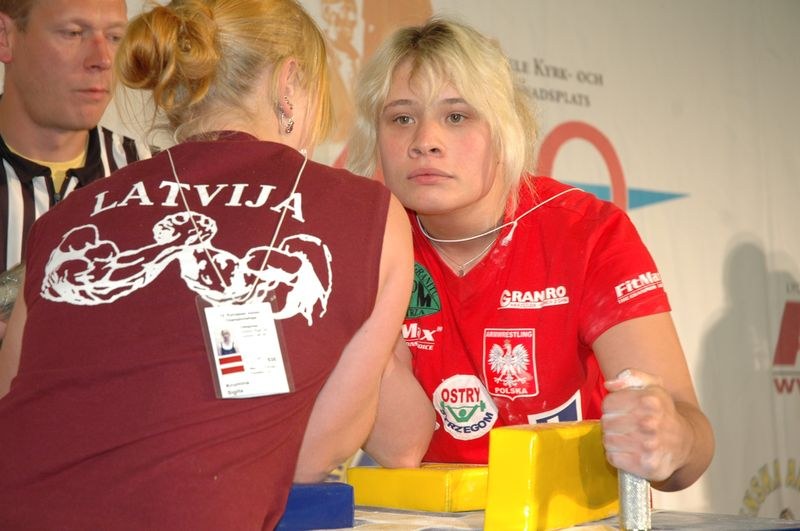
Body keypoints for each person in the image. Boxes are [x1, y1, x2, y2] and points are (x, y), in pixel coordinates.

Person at [0, 0, 433, 528]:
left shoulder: (66, 217)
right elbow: (311, 457)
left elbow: (12, 393)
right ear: (289, 84)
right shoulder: (363, 209)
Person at [348, 16, 714, 492]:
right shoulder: (365, 243)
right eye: (401, 118)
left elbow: (694, 439)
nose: (424, 142)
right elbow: (400, 449)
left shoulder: (588, 233)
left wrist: (669, 439)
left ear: (506, 126)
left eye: (456, 116)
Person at [0, 0, 150, 338]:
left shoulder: (156, 180)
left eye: (114, 37)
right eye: (73, 33)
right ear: (5, 37)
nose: (102, 60)